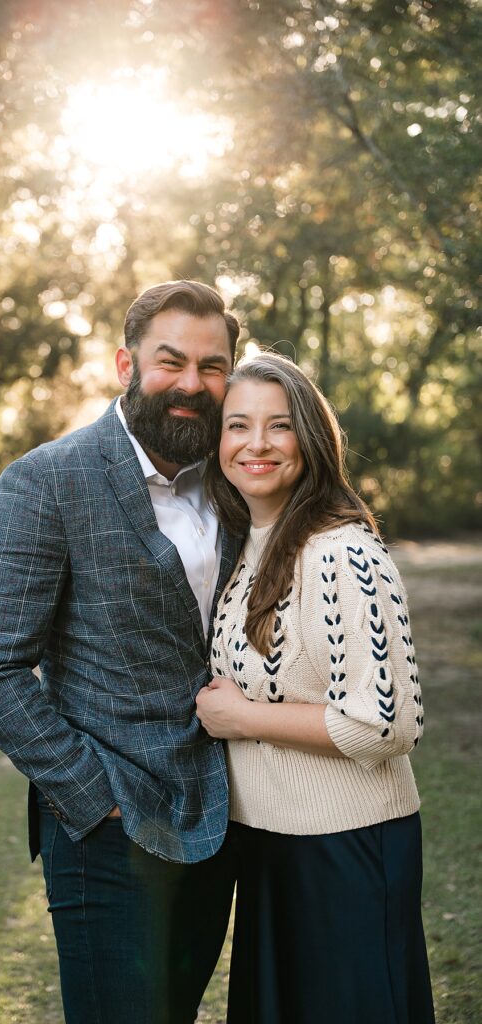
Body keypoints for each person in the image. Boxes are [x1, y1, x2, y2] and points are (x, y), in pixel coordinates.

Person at [0, 281, 244, 1024]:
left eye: (211, 367)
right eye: (169, 361)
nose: (190, 384)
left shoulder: (237, 483)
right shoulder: (45, 481)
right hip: (109, 832)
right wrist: (94, 797)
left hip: (223, 816)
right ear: (126, 363)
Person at [196, 352, 435, 1024]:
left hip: (347, 846)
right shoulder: (252, 545)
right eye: (237, 426)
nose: (257, 444)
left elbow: (387, 724)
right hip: (268, 843)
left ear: (310, 436)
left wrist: (244, 718)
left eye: (278, 426)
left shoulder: (343, 551)